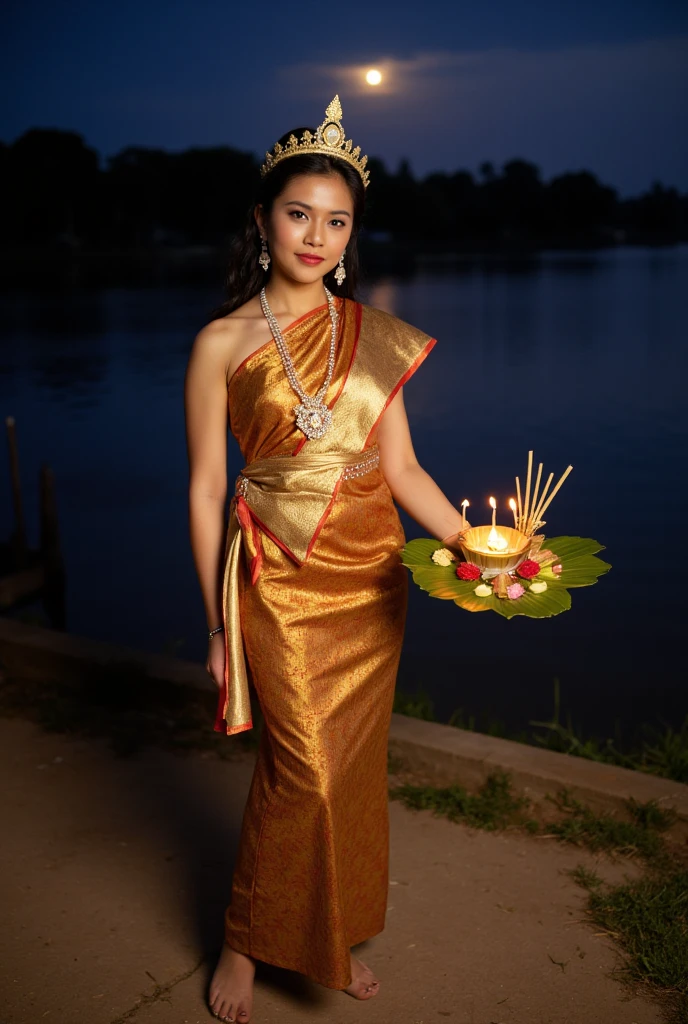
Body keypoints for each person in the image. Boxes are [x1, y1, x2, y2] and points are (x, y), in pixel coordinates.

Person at [184, 96, 467, 1023]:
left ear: (350, 236)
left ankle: (329, 928)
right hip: (275, 572)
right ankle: (244, 938)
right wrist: (217, 626)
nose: (317, 234)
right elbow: (202, 489)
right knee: (297, 766)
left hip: (370, 576)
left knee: (347, 769)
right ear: (265, 221)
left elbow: (406, 470)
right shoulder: (222, 342)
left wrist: (478, 547)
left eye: (336, 220)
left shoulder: (369, 333)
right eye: (299, 213)